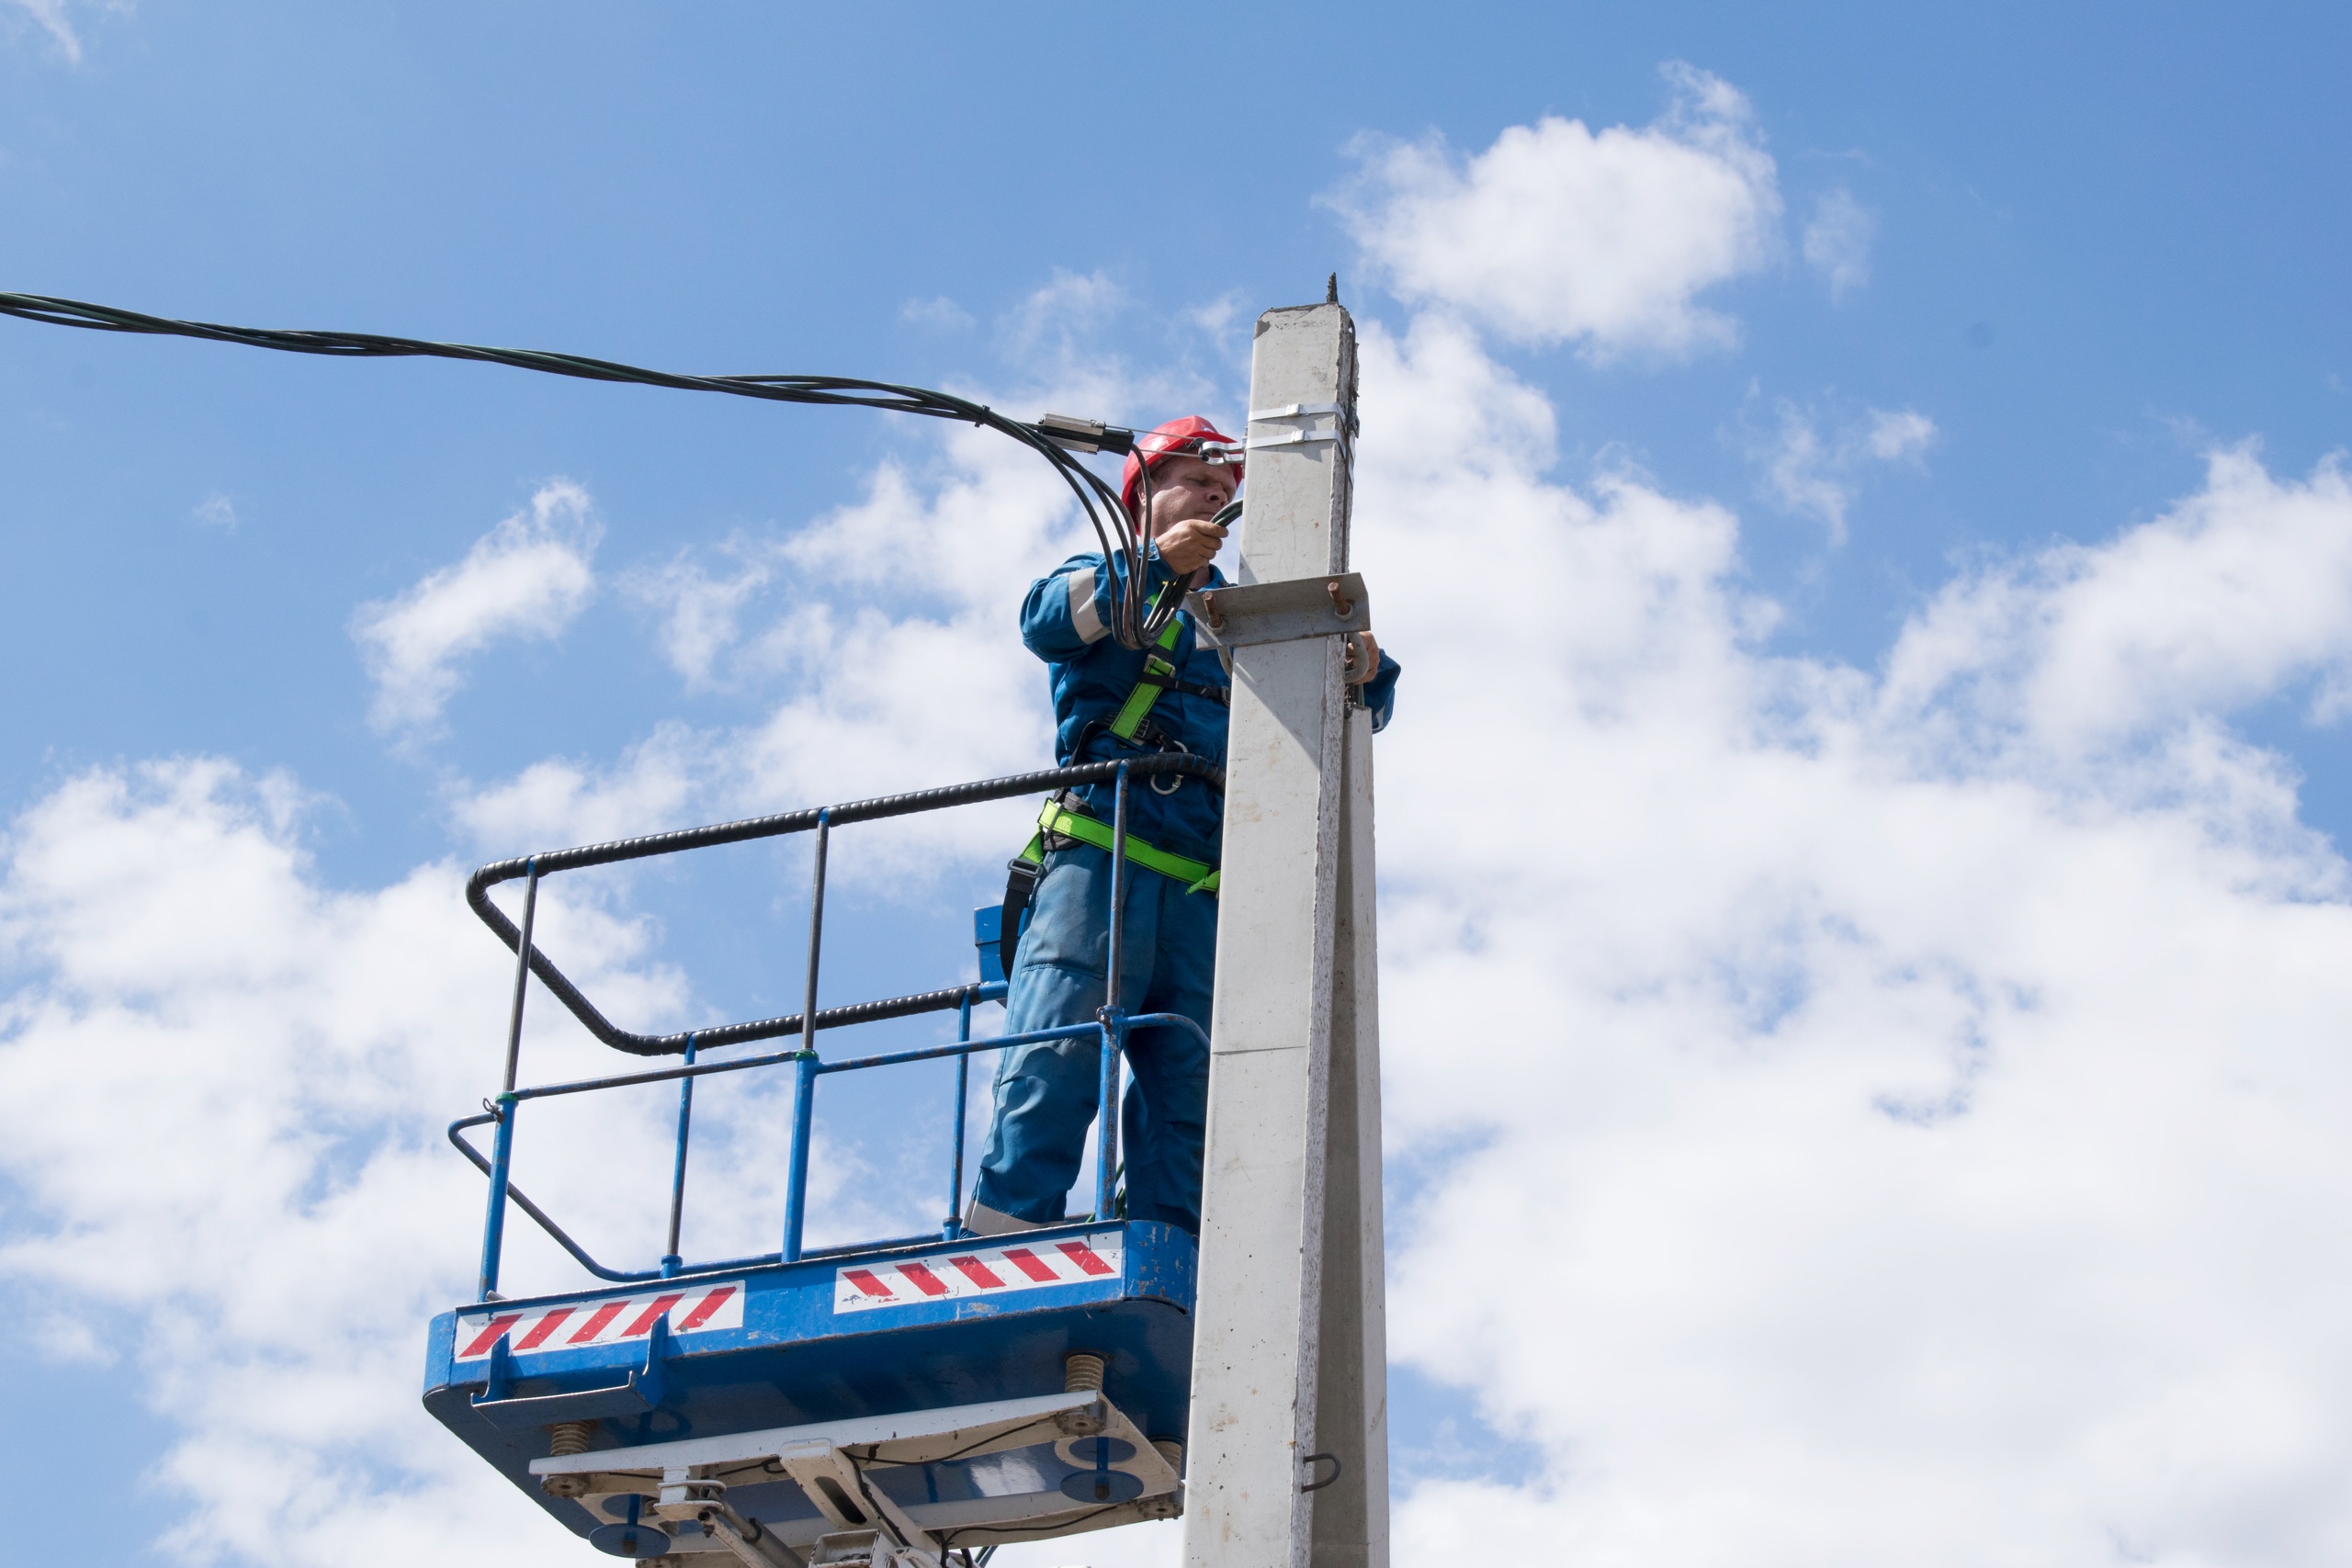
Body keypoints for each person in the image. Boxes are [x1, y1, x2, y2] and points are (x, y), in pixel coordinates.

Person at [964, 415, 1401, 1236]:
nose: (1216, 494)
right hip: (1102, 863)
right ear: (1144, 494)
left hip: (1204, 893)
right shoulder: (1114, 580)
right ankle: (1002, 1245)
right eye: (1197, 479)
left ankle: (1175, 1263)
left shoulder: (1244, 627)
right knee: (1053, 1060)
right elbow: (1046, 620)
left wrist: (1366, 667)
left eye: (1226, 487)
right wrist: (1155, 565)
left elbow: (1357, 706)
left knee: (1198, 1101)